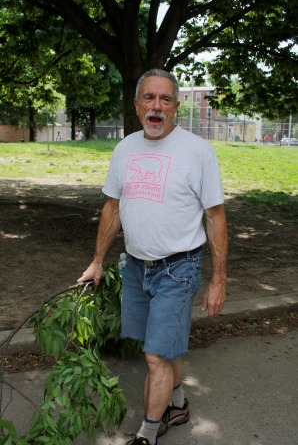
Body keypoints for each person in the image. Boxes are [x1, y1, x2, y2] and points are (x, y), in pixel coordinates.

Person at [78, 69, 228, 445]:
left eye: (165, 99)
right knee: (164, 345)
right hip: (134, 268)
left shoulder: (197, 151)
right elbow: (112, 208)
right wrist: (98, 260)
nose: (156, 106)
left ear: (176, 107)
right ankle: (177, 405)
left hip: (179, 269)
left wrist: (219, 279)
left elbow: (215, 216)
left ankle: (147, 433)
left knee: (155, 357)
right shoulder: (125, 148)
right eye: (149, 98)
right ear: (136, 104)